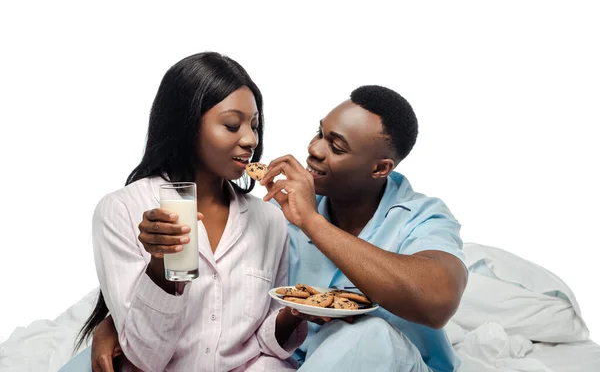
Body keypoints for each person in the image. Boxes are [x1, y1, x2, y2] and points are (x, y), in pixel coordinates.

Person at [70, 85, 469, 372]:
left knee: (368, 337)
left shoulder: (420, 216)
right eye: (319, 133)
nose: (314, 149)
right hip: (289, 362)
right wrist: (116, 321)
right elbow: (225, 293)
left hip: (384, 362)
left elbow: (436, 302)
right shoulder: (275, 213)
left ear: (380, 168)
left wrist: (311, 222)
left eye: (337, 146)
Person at [59, 52, 307, 372]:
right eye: (232, 125)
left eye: (255, 126)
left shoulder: (269, 219)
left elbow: (263, 340)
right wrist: (160, 267)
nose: (250, 139)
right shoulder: (121, 210)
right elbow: (145, 357)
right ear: (186, 124)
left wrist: (298, 311)